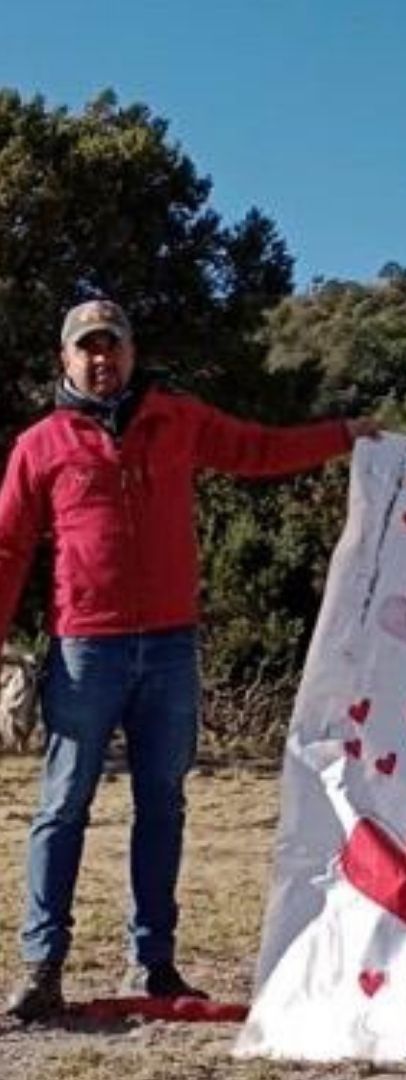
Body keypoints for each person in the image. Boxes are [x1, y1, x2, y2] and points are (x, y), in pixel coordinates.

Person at [0, 299, 380, 1021]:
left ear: (133, 353)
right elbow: (9, 545)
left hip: (171, 645)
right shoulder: (40, 445)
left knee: (164, 806)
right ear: (66, 360)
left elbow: (258, 450)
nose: (102, 360)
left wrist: (342, 436)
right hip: (85, 649)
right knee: (61, 808)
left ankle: (158, 966)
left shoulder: (176, 418)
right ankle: (42, 965)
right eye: (88, 349)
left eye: (113, 346)